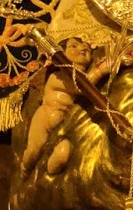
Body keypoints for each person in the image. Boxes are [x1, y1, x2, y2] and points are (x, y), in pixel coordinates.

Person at [22, 36, 111, 175]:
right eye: (74, 46)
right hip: (45, 117)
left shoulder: (87, 76)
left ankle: (48, 174)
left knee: (62, 155)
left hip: (65, 124)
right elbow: (79, 86)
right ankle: (25, 170)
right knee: (34, 149)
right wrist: (100, 71)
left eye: (87, 49)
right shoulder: (57, 76)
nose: (82, 49)